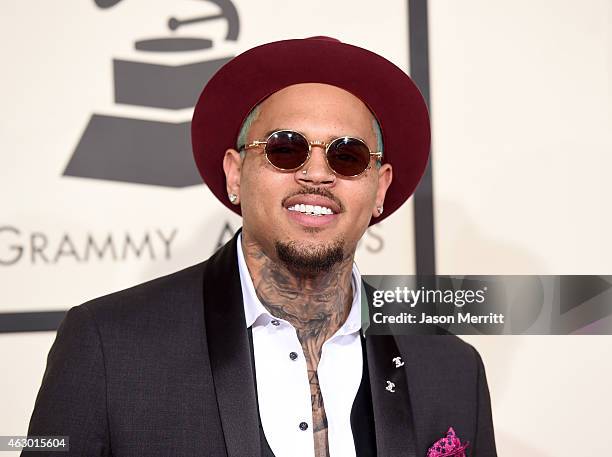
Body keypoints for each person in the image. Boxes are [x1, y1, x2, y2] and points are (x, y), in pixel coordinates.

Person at [23, 37, 497, 457]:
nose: (316, 174)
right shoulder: (109, 344)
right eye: (285, 149)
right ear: (234, 173)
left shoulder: (451, 369)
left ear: (379, 189)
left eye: (347, 156)